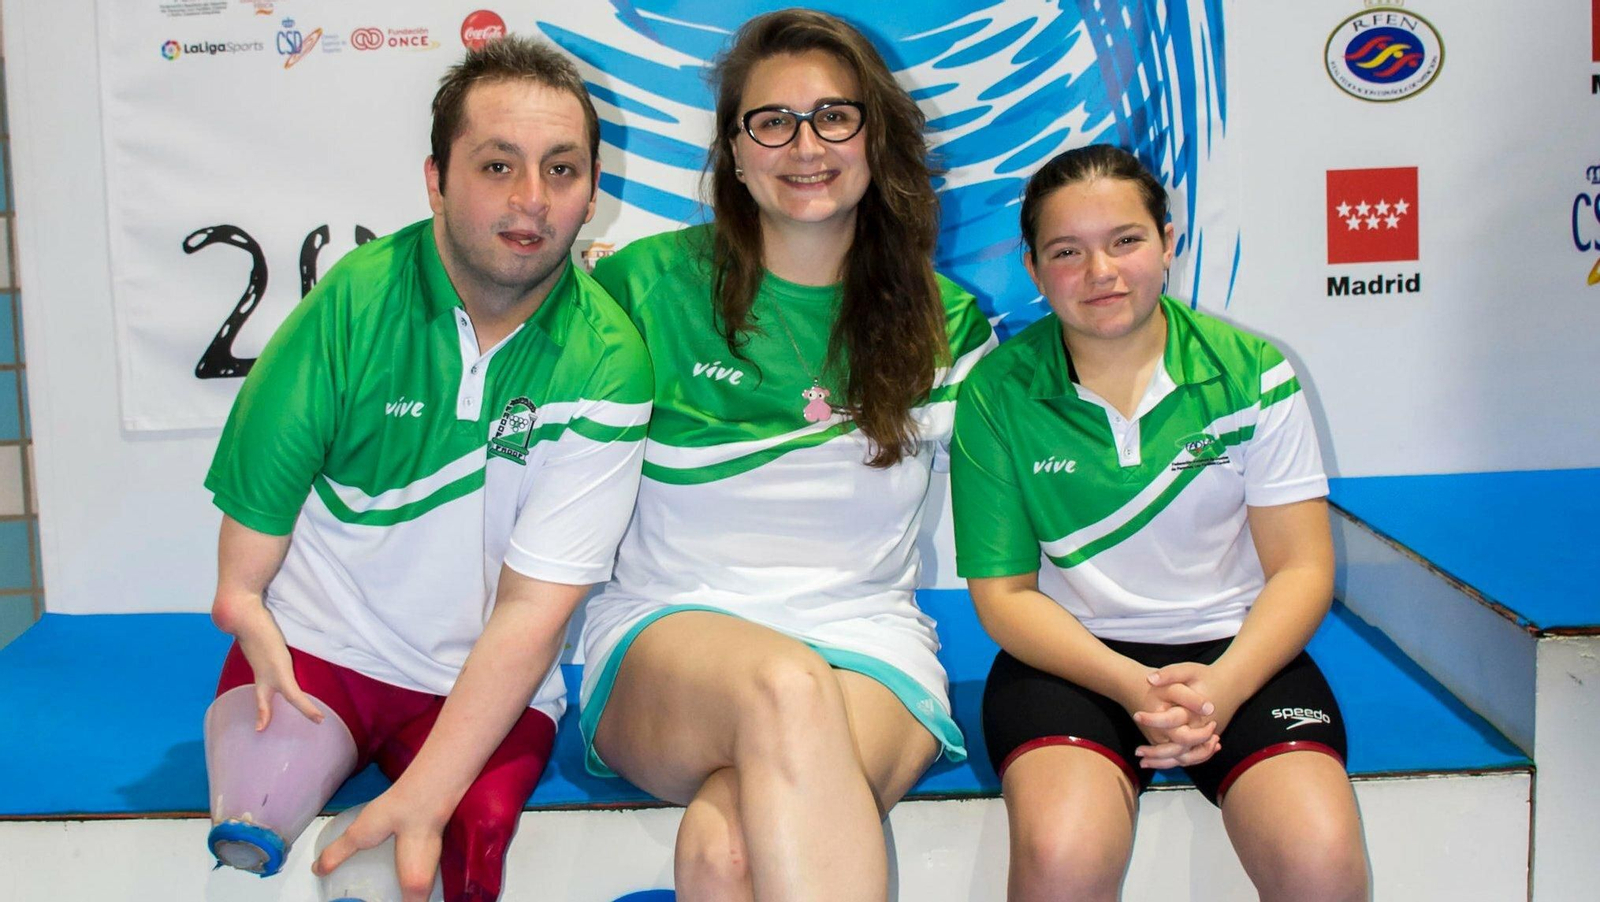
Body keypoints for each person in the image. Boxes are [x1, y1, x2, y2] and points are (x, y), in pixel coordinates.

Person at [203, 36, 651, 902]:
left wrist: (427, 794)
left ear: (593, 191)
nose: (530, 201)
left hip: (486, 674)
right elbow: (245, 564)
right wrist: (244, 607)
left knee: (438, 858)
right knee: (249, 827)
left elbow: (531, 611)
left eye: (561, 170)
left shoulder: (608, 362)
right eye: (495, 166)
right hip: (320, 647)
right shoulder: (352, 304)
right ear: (435, 179)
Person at [578, 9, 996, 900]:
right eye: (771, 122)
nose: (804, 144)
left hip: (868, 645)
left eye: (834, 116)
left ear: (875, 135)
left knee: (726, 849)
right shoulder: (641, 288)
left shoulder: (947, 321)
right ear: (733, 149)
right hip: (666, 636)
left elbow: (1041, 505)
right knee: (784, 684)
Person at [951, 144, 1369, 901]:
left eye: (1126, 240)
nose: (1100, 272)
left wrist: (1221, 688)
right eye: (1067, 252)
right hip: (1071, 660)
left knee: (1323, 864)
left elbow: (1302, 569)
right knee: (1062, 863)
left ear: (1169, 242)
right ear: (1034, 267)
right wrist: (1131, 685)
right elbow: (1004, 597)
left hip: (1240, 651)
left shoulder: (1251, 372)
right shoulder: (996, 393)